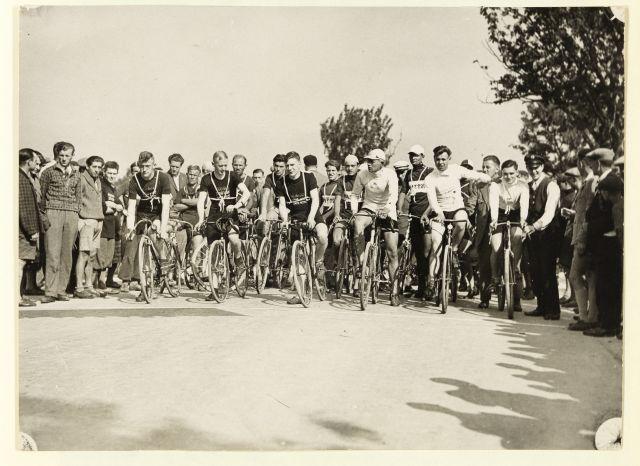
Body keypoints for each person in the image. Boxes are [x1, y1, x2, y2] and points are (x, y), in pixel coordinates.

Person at [423, 146, 491, 298]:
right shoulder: (430, 178)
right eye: (437, 159)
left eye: (443, 159)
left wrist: (487, 178)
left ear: (449, 159)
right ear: (434, 159)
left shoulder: (455, 170)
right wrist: (439, 213)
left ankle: (453, 249)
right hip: (439, 211)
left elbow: (472, 175)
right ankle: (432, 280)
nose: (440, 162)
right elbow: (432, 200)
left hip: (456, 208)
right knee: (435, 245)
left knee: (461, 221)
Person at [274, 151, 329, 304]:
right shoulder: (281, 183)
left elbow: (315, 200)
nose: (290, 168)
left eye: (293, 165)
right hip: (296, 219)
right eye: (287, 166)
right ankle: (301, 294)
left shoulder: (308, 177)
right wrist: (285, 220)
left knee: (323, 236)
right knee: (298, 258)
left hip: (312, 214)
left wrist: (312, 217)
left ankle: (318, 261)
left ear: (299, 164)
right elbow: (283, 205)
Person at [195, 151, 251, 300]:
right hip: (214, 215)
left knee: (233, 239)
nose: (223, 168)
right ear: (213, 165)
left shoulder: (232, 176)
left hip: (230, 214)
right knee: (213, 253)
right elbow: (201, 200)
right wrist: (201, 219)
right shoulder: (207, 179)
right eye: (220, 166)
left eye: (225, 165)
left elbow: (246, 194)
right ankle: (214, 288)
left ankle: (239, 260)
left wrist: (236, 205)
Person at [121, 151, 173, 300]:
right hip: (142, 213)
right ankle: (146, 284)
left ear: (154, 165)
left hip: (158, 212)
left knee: (154, 232)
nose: (144, 170)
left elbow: (165, 205)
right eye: (142, 166)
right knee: (137, 243)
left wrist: (163, 229)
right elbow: (131, 207)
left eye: (148, 166)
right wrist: (130, 228)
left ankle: (163, 259)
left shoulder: (162, 178)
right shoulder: (134, 180)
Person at [351, 148, 400, 306]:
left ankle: (394, 291)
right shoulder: (362, 174)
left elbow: (394, 194)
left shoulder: (390, 174)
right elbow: (355, 194)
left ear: (382, 162)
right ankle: (362, 263)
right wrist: (354, 211)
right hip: (369, 207)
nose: (369, 163)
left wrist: (387, 208)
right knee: (358, 223)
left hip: (387, 209)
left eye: (372, 161)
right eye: (367, 161)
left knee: (392, 251)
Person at [582, 148, 623, 337]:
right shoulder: (605, 181)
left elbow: (610, 215)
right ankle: (603, 321)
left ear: (598, 163)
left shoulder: (611, 182)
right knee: (603, 284)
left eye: (592, 162)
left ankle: (608, 324)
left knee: (608, 286)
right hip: (602, 241)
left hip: (609, 241)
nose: (590, 166)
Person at [39, 141, 81, 303]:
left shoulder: (76, 174)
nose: (64, 158)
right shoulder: (48, 172)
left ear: (72, 156)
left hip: (71, 214)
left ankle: (61, 290)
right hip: (52, 212)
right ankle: (50, 291)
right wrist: (44, 215)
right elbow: (41, 196)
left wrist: (75, 212)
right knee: (52, 253)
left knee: (66, 255)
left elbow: (78, 197)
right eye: (61, 155)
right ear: (57, 155)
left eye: (67, 155)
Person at [522, 154, 562, 320]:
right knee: (535, 270)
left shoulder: (551, 185)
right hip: (533, 234)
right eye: (530, 167)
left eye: (537, 166)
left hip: (548, 234)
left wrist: (534, 226)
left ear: (542, 166)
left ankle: (553, 309)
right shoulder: (528, 185)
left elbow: (549, 213)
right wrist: (524, 223)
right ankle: (541, 305)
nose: (534, 170)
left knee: (548, 271)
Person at [563, 151, 599, 331]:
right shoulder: (587, 183)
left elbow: (590, 215)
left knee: (575, 275)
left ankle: (587, 318)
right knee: (589, 278)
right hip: (582, 236)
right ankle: (590, 316)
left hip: (584, 238)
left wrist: (582, 239)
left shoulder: (591, 183)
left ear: (582, 162)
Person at [488, 159, 529, 312]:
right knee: (496, 247)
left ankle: (516, 300)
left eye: (512, 174)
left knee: (516, 261)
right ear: (501, 174)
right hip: (499, 215)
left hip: (517, 215)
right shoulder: (496, 185)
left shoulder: (522, 187)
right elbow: (493, 203)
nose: (508, 177)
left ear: (517, 173)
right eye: (505, 174)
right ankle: (495, 278)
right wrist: (493, 220)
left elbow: (524, 206)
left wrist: (523, 221)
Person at [465, 155, 501, 308]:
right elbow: (471, 206)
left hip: (501, 226)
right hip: (484, 230)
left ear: (497, 169)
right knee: (484, 263)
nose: (485, 170)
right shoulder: (477, 185)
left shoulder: (503, 183)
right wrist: (464, 214)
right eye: (483, 167)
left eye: (489, 167)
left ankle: (514, 298)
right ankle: (485, 298)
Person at [400, 144, 433, 299]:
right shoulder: (408, 174)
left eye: (417, 155)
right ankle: (421, 287)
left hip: (427, 217)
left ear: (422, 156)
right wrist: (399, 209)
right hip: (413, 217)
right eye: (411, 155)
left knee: (427, 252)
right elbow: (403, 192)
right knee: (418, 253)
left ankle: (430, 285)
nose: (414, 158)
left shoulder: (430, 172)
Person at [75, 156, 107, 299]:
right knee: (83, 255)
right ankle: (79, 287)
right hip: (86, 221)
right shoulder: (81, 179)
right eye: (95, 167)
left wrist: (100, 220)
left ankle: (89, 285)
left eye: (100, 167)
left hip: (97, 221)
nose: (97, 170)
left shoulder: (98, 180)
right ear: (88, 166)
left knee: (92, 256)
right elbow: (77, 200)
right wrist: (81, 220)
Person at [18, 149, 44, 306]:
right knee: (19, 263)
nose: (37, 163)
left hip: (23, 230)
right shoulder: (21, 179)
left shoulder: (23, 177)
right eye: (35, 160)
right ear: (28, 162)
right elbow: (23, 207)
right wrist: (31, 230)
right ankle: (17, 298)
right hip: (23, 232)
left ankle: (19, 295)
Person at [93, 161, 123, 293]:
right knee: (99, 256)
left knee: (108, 257)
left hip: (112, 226)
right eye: (109, 173)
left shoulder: (113, 188)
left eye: (114, 174)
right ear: (104, 172)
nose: (111, 176)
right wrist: (114, 207)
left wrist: (114, 206)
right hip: (102, 226)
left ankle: (102, 281)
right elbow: (102, 206)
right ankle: (96, 283)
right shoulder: (101, 184)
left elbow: (120, 204)